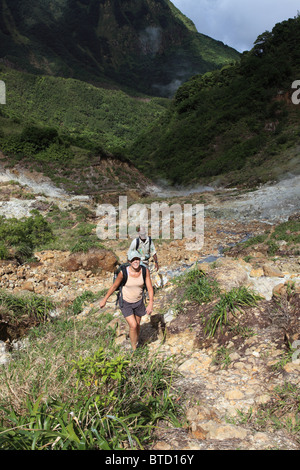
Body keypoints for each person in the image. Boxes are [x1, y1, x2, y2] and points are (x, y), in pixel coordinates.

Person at [99, 250, 154, 351]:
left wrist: (150, 303)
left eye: (137, 259)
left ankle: (136, 340)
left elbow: (150, 288)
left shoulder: (145, 271)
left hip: (138, 302)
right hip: (126, 302)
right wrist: (105, 299)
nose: (136, 261)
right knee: (133, 325)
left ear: (140, 259)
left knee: (137, 325)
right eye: (133, 260)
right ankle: (134, 349)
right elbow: (114, 286)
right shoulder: (123, 273)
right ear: (129, 261)